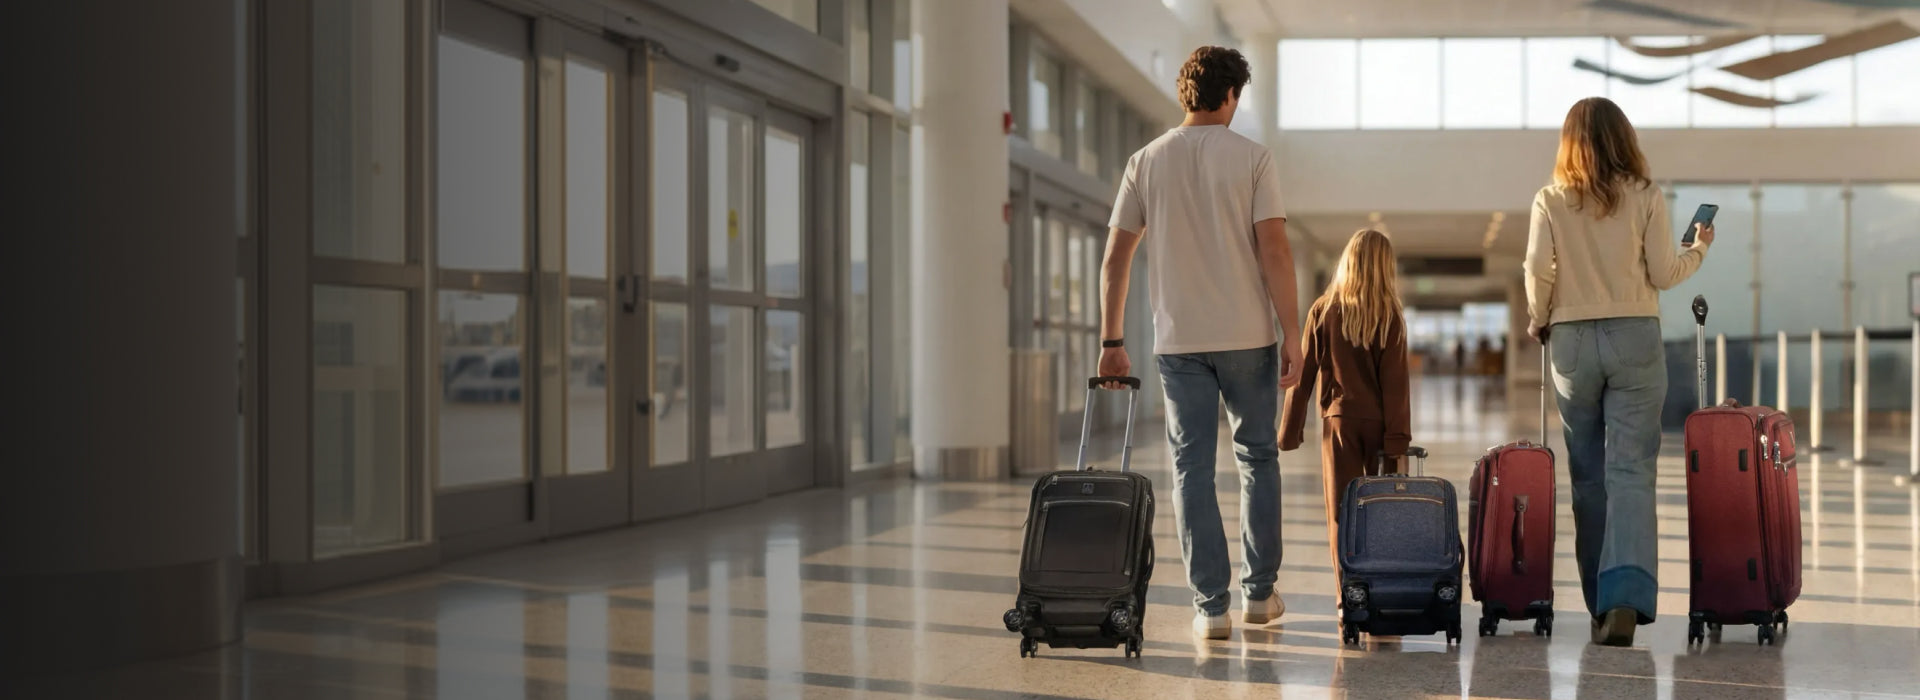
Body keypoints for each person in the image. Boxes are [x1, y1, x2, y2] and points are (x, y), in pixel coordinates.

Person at [1097, 45, 1303, 641]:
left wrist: (1112, 338)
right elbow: (1276, 252)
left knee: (1191, 469)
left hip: (1177, 339)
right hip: (1247, 337)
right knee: (1256, 458)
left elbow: (1116, 259)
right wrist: (1292, 331)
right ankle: (1259, 597)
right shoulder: (1254, 158)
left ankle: (1211, 608)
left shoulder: (1145, 160)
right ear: (1231, 95)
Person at [1524, 96, 1713, 646]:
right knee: (1631, 472)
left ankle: (1598, 607)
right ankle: (1624, 597)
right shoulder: (1646, 195)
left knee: (1587, 477)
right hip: (1634, 334)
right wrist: (1698, 250)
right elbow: (1663, 271)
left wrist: (1541, 321)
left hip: (1572, 343)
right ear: (1624, 137)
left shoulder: (1550, 200)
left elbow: (1538, 271)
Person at [1277, 229, 1411, 597]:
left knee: (1341, 511)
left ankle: (1347, 595)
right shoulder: (1390, 316)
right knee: (1384, 510)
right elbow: (1397, 385)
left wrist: (1289, 430)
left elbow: (1302, 375)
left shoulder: (1323, 310)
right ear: (1385, 267)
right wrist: (1398, 440)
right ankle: (1383, 588)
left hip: (1339, 425)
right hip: (1382, 426)